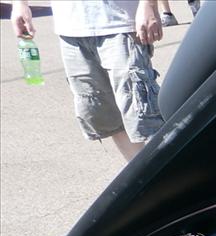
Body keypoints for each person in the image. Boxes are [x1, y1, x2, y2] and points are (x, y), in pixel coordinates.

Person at [10, 0, 165, 161]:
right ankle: (145, 172)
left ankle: (170, 169)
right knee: (104, 114)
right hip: (70, 28)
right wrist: (20, 5)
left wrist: (149, 5)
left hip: (121, 22)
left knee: (143, 112)